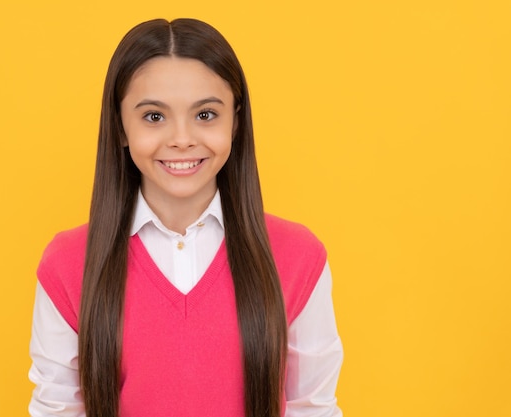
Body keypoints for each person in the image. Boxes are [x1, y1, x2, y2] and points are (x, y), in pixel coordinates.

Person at [28, 18, 343, 417]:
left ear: (237, 121)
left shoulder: (298, 257)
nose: (181, 138)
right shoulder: (68, 264)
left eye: (206, 115)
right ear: (120, 126)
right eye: (154, 117)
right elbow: (57, 408)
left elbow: (311, 407)